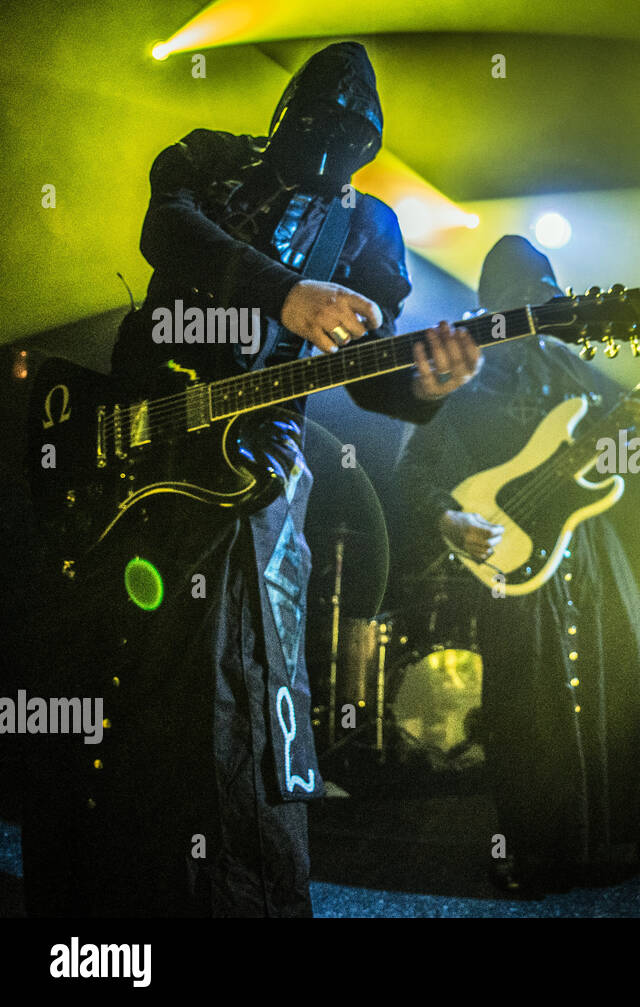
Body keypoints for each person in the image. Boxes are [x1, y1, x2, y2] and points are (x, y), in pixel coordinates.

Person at [21, 42, 480, 916]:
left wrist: (427, 382)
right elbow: (167, 228)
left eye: (353, 129)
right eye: (317, 118)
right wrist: (280, 293)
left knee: (232, 688)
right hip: (136, 432)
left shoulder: (371, 229)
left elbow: (372, 367)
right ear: (284, 114)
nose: (332, 136)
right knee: (102, 670)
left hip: (248, 469)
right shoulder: (210, 155)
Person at [395, 235, 640, 893]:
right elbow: (414, 469)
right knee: (527, 701)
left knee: (631, 674)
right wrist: (449, 518)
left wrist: (630, 434)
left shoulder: (565, 362)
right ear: (499, 301)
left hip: (582, 537)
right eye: (532, 293)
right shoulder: (461, 367)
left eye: (551, 292)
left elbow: (595, 460)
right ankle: (533, 848)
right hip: (507, 545)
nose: (547, 304)